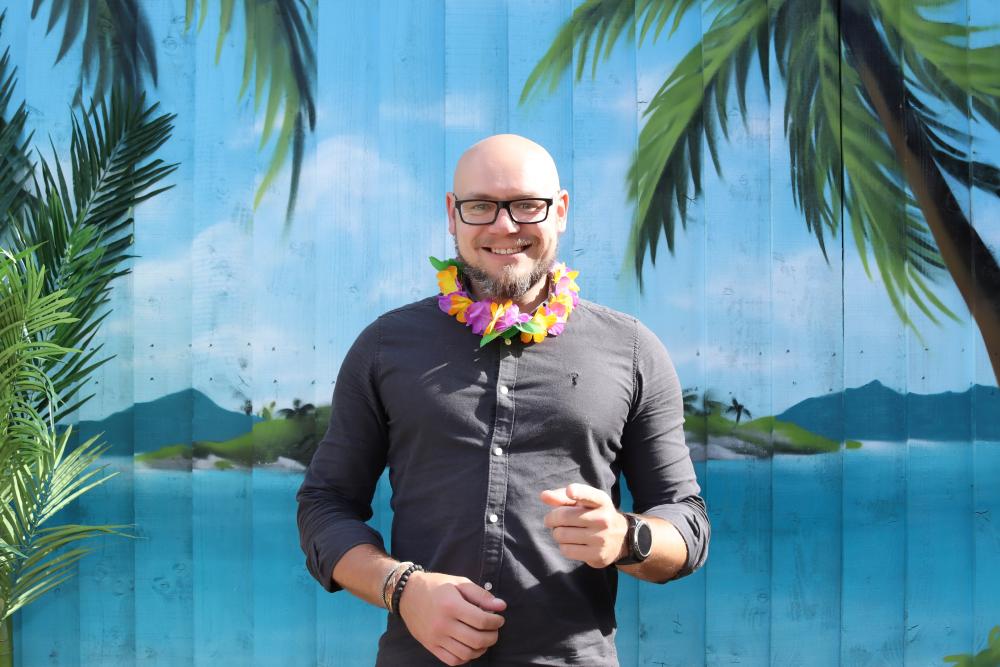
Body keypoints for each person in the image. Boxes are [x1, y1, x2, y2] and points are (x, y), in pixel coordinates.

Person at [296, 134, 710, 666]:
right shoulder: (384, 347)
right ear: (452, 214)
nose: (504, 226)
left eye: (526, 205)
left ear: (560, 210)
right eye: (480, 207)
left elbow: (687, 523)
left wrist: (627, 537)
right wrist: (402, 587)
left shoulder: (631, 350)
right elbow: (325, 505)